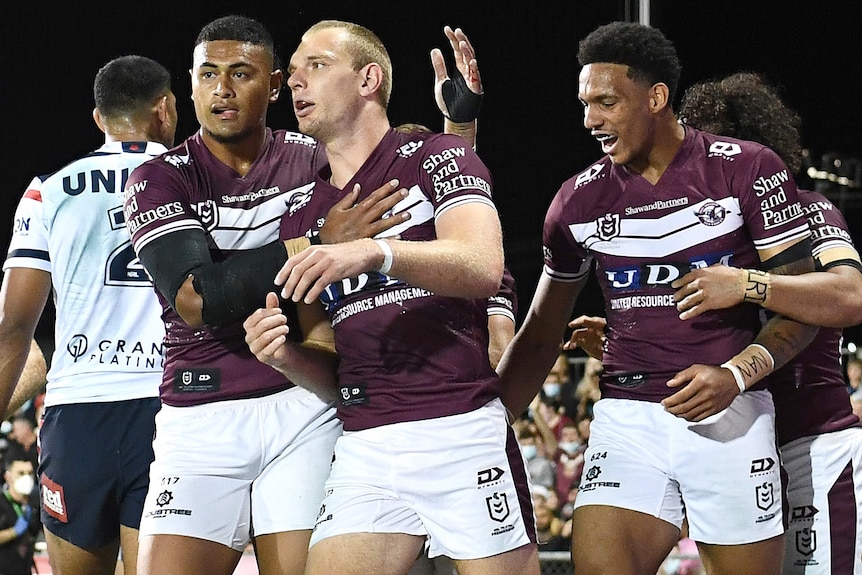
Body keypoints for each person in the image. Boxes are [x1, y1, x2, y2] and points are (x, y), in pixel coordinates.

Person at [122, 15, 486, 575]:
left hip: (305, 401)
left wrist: (458, 129)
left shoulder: (315, 152)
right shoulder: (161, 176)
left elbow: (417, 177)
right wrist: (317, 240)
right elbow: (197, 301)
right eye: (207, 74)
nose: (222, 89)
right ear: (189, 85)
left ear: (272, 86)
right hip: (200, 411)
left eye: (241, 73)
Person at [495, 21, 818, 575]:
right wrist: (489, 421)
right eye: (585, 104)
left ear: (656, 97)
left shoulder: (746, 168)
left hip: (731, 413)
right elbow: (543, 331)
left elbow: (802, 304)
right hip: (627, 419)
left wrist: (736, 376)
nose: (591, 119)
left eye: (606, 102)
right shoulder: (576, 202)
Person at [243, 19, 540, 575]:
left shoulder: (438, 157)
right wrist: (284, 357)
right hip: (366, 443)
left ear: (368, 79)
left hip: (460, 430)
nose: (294, 81)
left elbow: (481, 266)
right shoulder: (303, 213)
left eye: (316, 64)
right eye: (295, 69)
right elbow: (330, 368)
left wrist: (373, 253)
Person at [664, 71, 862, 575]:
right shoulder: (693, 230)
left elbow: (851, 294)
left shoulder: (808, 211)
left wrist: (749, 284)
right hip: (736, 455)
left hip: (813, 445)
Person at [0, 55, 178, 575]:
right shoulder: (194, 180)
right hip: (171, 404)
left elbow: (14, 326)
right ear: (165, 109)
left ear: (98, 118)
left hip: (79, 409)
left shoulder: (47, 189)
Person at [0, 446, 40, 575]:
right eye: (21, 473)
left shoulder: (35, 505)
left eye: (29, 473)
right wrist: (13, 532)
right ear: (8, 476)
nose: (26, 478)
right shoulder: (2, 503)